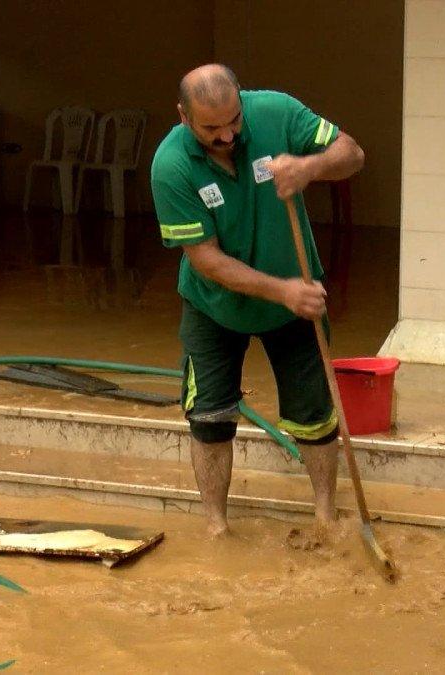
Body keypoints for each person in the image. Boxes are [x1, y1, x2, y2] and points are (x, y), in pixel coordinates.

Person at [150, 64, 365, 536]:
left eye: (234, 121)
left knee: (314, 413)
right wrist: (281, 290)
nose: (227, 135)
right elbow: (206, 260)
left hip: (298, 300)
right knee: (208, 416)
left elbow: (352, 153)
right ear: (183, 115)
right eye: (212, 128)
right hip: (215, 305)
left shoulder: (276, 111)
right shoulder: (171, 166)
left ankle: (326, 516)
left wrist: (309, 167)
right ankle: (216, 528)